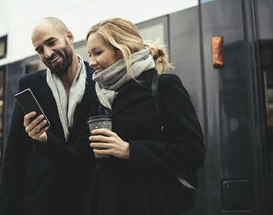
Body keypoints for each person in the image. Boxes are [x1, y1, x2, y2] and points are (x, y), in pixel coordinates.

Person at [84, 18, 205, 215]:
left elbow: (193, 152)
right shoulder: (99, 96)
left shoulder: (163, 86)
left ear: (122, 49)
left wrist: (130, 150)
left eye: (98, 53)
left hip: (151, 204)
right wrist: (45, 140)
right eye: (90, 54)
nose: (92, 62)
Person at [0, 17, 96, 215]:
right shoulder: (29, 85)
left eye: (51, 43)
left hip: (90, 201)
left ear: (69, 36)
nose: (47, 53)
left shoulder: (98, 80)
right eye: (40, 50)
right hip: (40, 204)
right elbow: (14, 156)